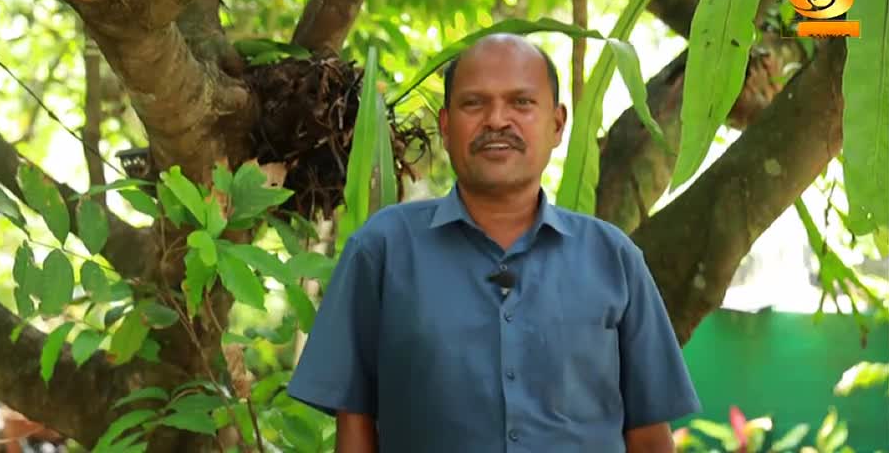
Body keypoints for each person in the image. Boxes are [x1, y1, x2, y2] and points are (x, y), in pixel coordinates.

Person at [287, 33, 701, 452]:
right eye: (474, 103)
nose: (497, 120)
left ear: (556, 124)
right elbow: (354, 426)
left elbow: (649, 436)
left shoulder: (614, 259)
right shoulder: (382, 251)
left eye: (521, 102)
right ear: (446, 127)